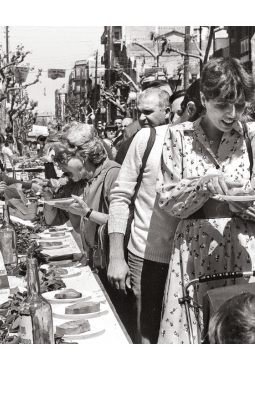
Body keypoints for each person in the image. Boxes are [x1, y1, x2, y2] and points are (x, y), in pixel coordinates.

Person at [157, 57, 255, 344]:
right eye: (223, 105)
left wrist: (242, 204)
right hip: (193, 255)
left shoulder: (253, 135)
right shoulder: (178, 136)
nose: (232, 114)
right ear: (203, 98)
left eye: (240, 105)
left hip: (244, 252)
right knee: (191, 331)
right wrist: (201, 186)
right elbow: (169, 203)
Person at [107, 83, 205, 343]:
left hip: (194, 259)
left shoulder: (219, 143)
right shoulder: (148, 138)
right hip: (148, 257)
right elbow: (120, 196)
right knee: (148, 334)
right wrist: (116, 256)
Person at [43, 122, 120, 267]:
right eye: (55, 160)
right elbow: (51, 221)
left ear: (84, 155)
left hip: (112, 265)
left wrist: (87, 213)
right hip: (93, 262)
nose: (58, 166)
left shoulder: (113, 174)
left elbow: (123, 222)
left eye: (62, 160)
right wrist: (48, 199)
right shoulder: (77, 181)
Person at [115, 87, 171, 165]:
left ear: (166, 113)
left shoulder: (179, 140)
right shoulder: (129, 145)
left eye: (147, 112)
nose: (141, 118)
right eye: (139, 112)